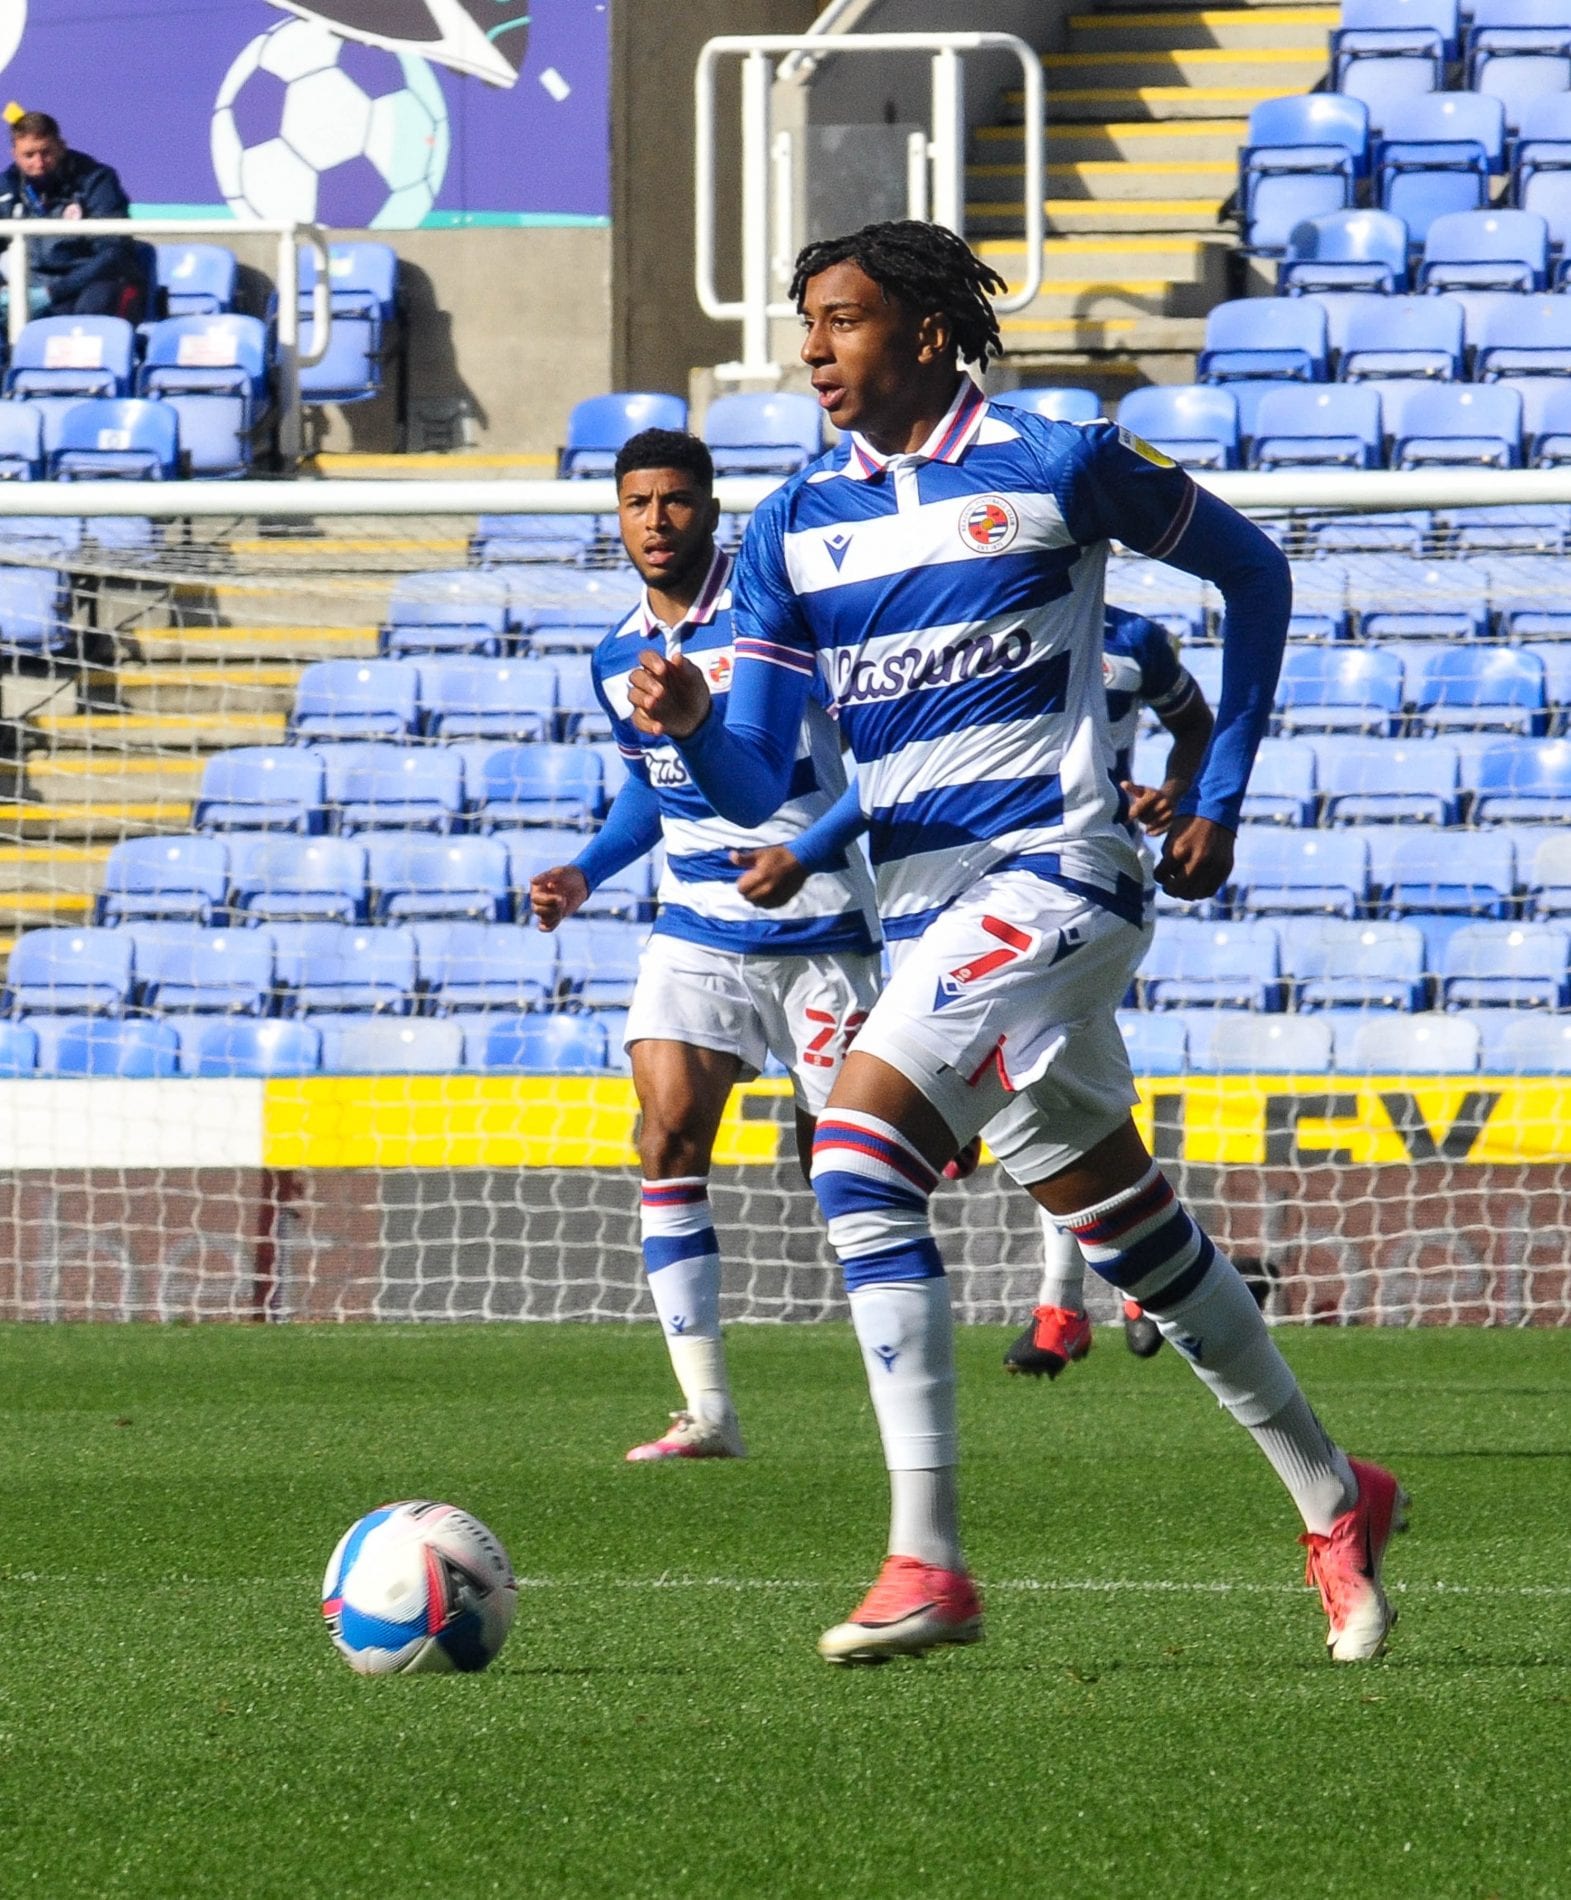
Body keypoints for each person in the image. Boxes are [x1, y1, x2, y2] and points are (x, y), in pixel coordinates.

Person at [627, 220, 1407, 1667]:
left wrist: (1219, 790)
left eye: (842, 320)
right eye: (805, 322)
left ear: (925, 331)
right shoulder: (793, 521)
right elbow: (756, 776)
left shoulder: (1053, 459)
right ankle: (1330, 1491)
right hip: (926, 917)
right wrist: (688, 729)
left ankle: (924, 1562)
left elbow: (1254, 577)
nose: (811, 348)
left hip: (1057, 879)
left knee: (855, 1153)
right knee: (1128, 1229)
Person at [529, 428, 880, 1463]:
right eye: (637, 502)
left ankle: (920, 1368)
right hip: (693, 929)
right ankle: (708, 1412)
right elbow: (650, 785)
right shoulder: (612, 656)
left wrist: (807, 848)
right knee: (667, 1136)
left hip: (818, 928)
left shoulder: (780, 619)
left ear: (711, 509)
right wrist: (587, 869)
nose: (655, 520)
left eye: (676, 500)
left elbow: (870, 764)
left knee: (864, 1171)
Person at [1003, 601, 1213, 1378]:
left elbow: (1196, 723)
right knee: (1060, 1083)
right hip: (1000, 877)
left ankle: (1066, 1306)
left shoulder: (1136, 640)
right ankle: (1134, 1271)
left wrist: (1175, 794)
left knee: (1050, 1080)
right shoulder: (988, 621)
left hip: (1098, 879)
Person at [0, 113, 140, 319]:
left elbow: (113, 252)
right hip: (29, 287)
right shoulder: (7, 187)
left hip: (87, 285)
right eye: (29, 155)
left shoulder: (97, 181)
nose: (39, 163)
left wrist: (53, 293)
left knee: (98, 301)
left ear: (61, 146)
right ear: (15, 155)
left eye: (46, 152)